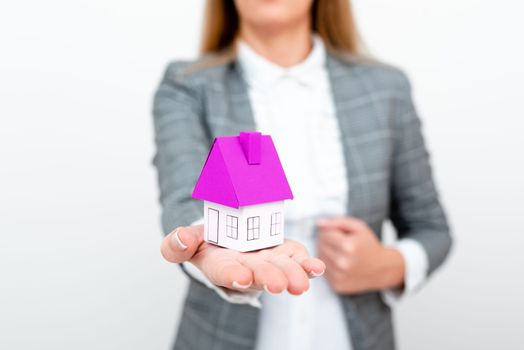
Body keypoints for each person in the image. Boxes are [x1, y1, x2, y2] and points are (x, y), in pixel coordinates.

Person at [152, 0, 452, 349]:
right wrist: (205, 245)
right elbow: (183, 200)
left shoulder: (388, 88)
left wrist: (389, 264)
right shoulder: (186, 86)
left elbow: (432, 228)